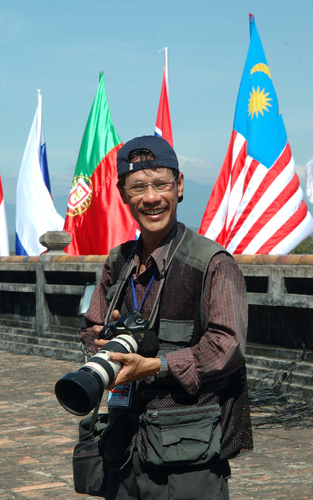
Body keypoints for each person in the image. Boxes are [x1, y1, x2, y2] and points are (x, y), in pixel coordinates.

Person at [80, 135, 253, 500]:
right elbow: (90, 325)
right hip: (124, 445)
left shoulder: (212, 263)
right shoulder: (118, 261)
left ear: (180, 187)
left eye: (161, 184)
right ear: (122, 194)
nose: (151, 197)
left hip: (189, 456)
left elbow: (227, 346)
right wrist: (99, 340)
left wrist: (154, 366)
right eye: (138, 186)